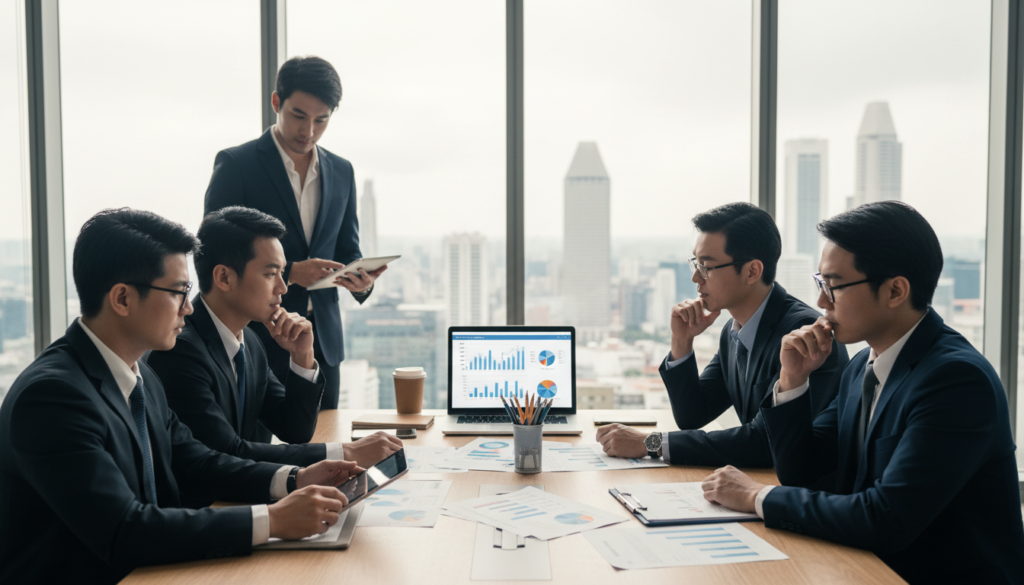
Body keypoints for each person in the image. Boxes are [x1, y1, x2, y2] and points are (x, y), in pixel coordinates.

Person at [0, 209, 365, 584]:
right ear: (122, 299)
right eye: (178, 293)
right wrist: (273, 520)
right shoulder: (53, 398)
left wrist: (296, 479)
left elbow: (199, 462)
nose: (189, 308)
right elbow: (123, 530)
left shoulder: (141, 378)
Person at [701, 201, 1024, 583]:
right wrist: (792, 381)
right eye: (820, 284)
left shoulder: (955, 381)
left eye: (833, 286)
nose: (821, 302)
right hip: (868, 568)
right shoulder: (861, 367)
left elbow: (885, 518)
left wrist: (756, 496)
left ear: (895, 291)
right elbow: (803, 473)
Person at [146, 207, 400, 505]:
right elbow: (227, 451)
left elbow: (294, 429)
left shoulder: (249, 342)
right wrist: (345, 452)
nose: (282, 288)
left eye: (283, 273)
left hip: (238, 498)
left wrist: (302, 356)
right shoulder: (181, 350)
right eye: (270, 274)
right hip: (205, 512)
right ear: (224, 277)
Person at [597, 202, 847, 467]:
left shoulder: (804, 334)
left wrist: (651, 443)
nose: (696, 277)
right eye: (696, 263)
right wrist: (682, 341)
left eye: (706, 266)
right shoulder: (733, 331)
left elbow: (766, 441)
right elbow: (693, 415)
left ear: (752, 271)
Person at [205, 55, 384, 409]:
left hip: (322, 342)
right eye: (298, 116)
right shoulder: (237, 164)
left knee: (324, 447)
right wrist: (291, 273)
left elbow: (347, 248)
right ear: (276, 102)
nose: (309, 131)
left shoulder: (341, 171)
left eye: (322, 120)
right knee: (253, 450)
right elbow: (213, 250)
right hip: (256, 336)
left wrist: (362, 280)